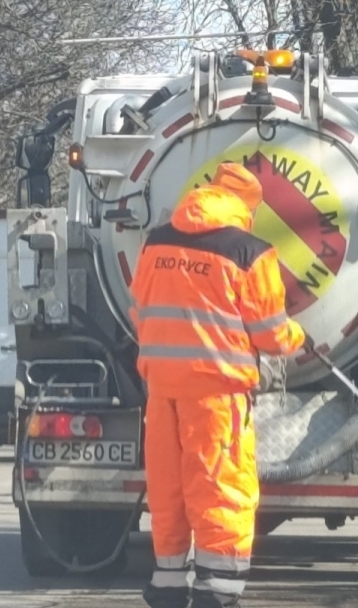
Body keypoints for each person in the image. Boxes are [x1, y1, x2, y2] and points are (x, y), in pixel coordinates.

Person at [129, 162, 306, 608]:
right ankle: (218, 589)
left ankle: (168, 582)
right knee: (220, 487)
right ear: (248, 208)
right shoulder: (249, 252)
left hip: (161, 391)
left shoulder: (156, 242)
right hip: (216, 395)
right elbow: (270, 334)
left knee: (168, 489)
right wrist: (296, 336)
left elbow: (139, 310)